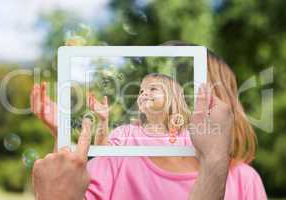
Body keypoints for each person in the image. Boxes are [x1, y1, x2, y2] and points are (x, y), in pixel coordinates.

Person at [31, 42, 267, 199]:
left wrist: (215, 162)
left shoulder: (244, 181)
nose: (143, 94)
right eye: (142, 90)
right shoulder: (123, 150)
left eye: (154, 88)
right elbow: (71, 188)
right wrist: (62, 137)